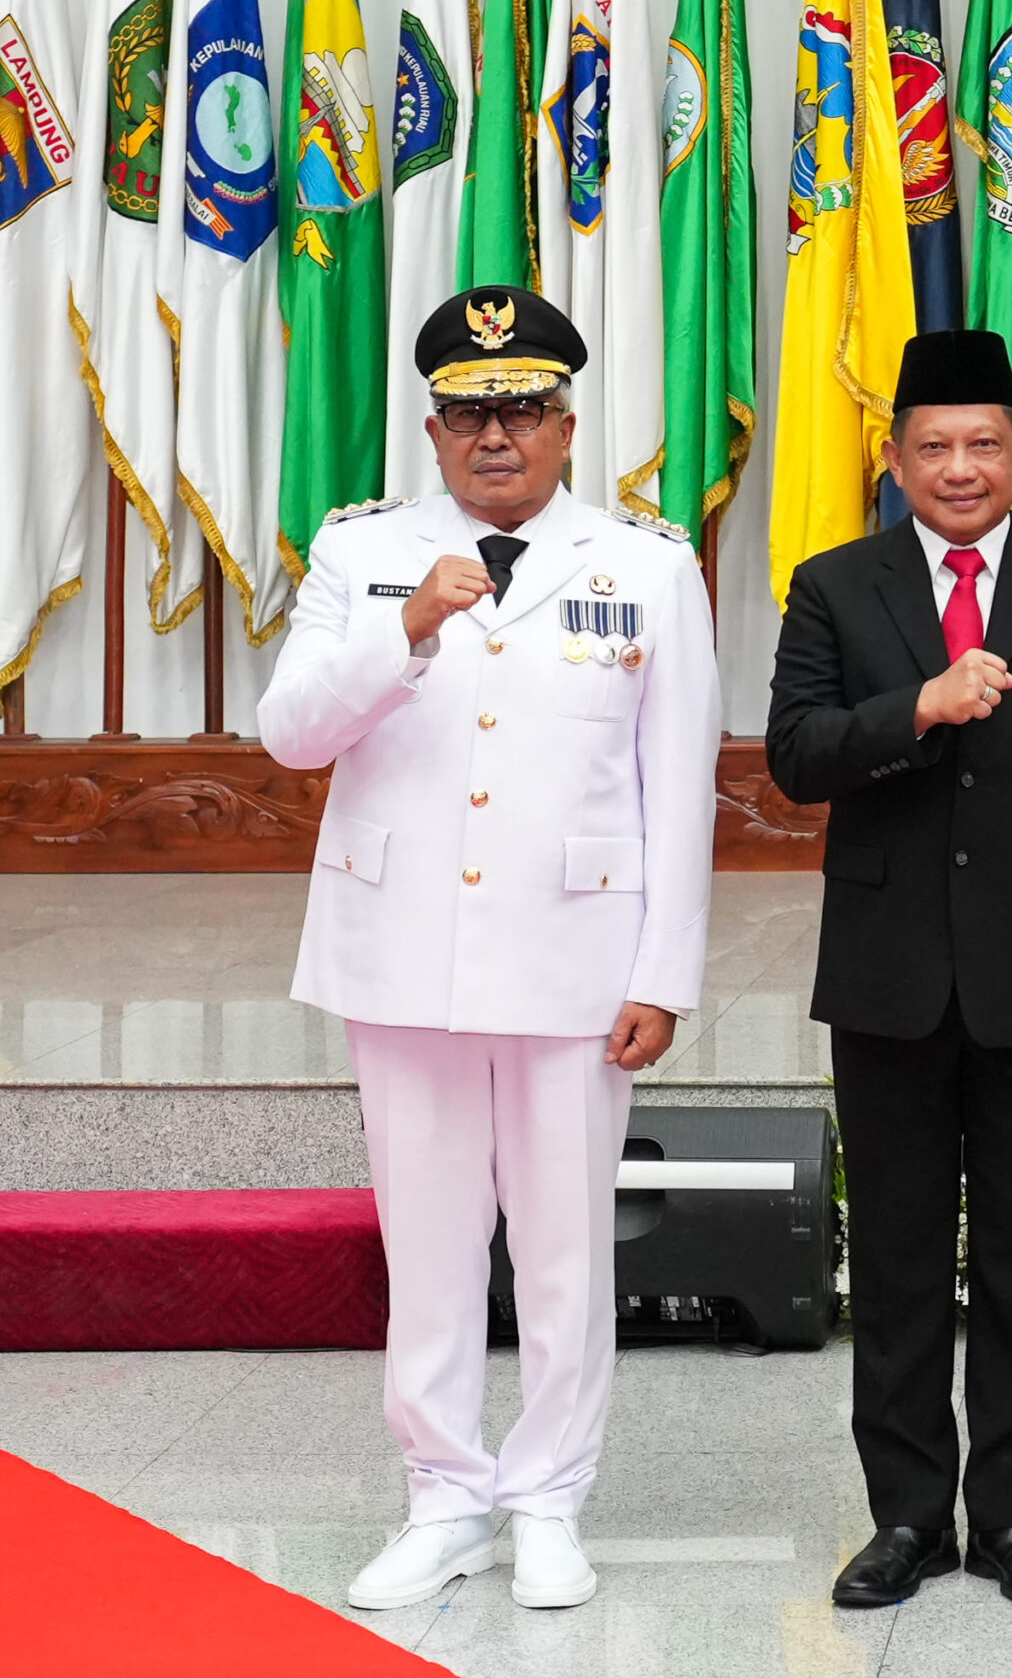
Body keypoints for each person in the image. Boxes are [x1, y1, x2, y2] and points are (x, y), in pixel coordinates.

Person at [260, 286, 717, 1613]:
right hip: (400, 951)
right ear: (432, 426)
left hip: (576, 959)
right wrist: (401, 630)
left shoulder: (647, 566)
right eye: (470, 412)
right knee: (431, 1236)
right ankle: (445, 1492)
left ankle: (551, 1496)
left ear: (569, 424)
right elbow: (292, 731)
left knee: (568, 1243)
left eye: (522, 408)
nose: (496, 434)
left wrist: (662, 971)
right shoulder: (363, 553)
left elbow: (675, 783)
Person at [766, 328, 1012, 1610]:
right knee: (890, 1261)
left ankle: (1010, 1520)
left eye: (982, 444)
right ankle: (903, 1523)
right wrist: (918, 710)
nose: (958, 468)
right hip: (887, 978)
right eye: (931, 446)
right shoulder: (835, 584)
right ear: (893, 458)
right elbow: (796, 754)